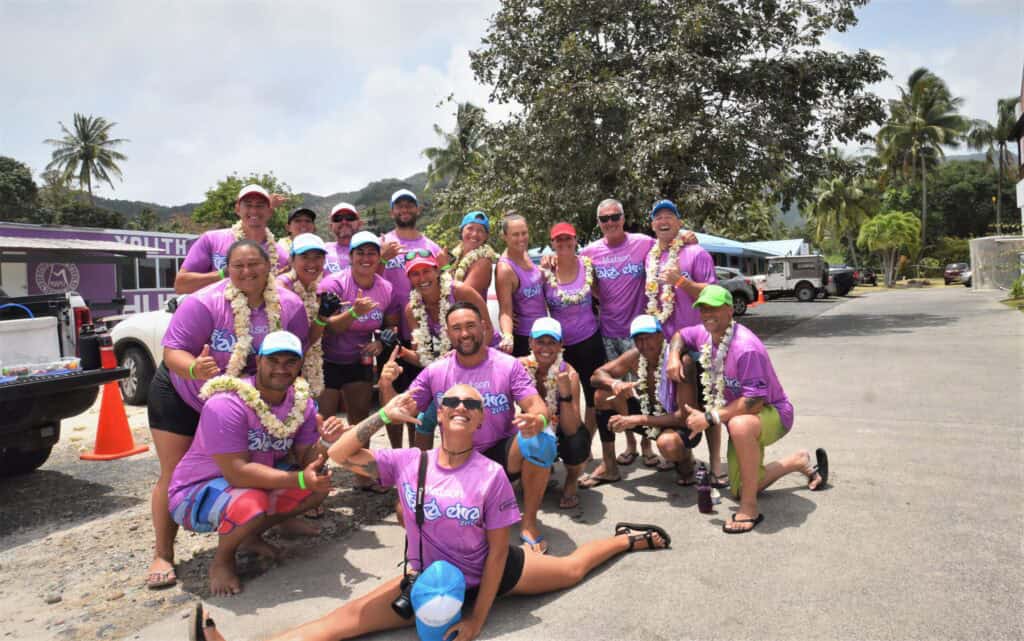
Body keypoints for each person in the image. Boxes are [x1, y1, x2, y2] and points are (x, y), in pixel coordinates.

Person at [191, 385, 670, 641]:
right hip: (428, 581)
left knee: (571, 569)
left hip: (494, 576)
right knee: (342, 622)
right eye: (452, 402)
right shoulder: (409, 461)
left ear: (482, 420)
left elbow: (501, 555)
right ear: (439, 415)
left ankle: (625, 537)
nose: (461, 407)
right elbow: (338, 455)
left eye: (472, 404)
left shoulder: (490, 476)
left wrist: (478, 620)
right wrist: (380, 416)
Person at [145, 239, 309, 590]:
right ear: (227, 270)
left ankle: (246, 536)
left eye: (254, 265)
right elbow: (173, 351)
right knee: (175, 473)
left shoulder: (290, 305)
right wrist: (196, 370)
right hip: (183, 395)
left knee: (250, 471)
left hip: (238, 404)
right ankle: (163, 553)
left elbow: (293, 357)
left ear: (270, 268)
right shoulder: (203, 302)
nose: (247, 272)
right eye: (238, 266)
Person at [382, 301, 553, 554]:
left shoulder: (508, 365)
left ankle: (528, 522)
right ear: (448, 333)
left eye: (471, 326)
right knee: (404, 507)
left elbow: (539, 407)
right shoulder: (436, 371)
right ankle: (435, 550)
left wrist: (536, 421)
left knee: (543, 439)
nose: (464, 333)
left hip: (499, 457)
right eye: (456, 328)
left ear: (484, 327)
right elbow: (398, 415)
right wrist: (386, 384)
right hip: (456, 459)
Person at [167, 331, 330, 596]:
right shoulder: (226, 403)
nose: (281, 368)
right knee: (251, 502)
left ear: (300, 364)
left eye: (290, 362)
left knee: (318, 488)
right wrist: (299, 479)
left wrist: (327, 444)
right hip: (195, 491)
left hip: (252, 482)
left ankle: (248, 536)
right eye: (273, 360)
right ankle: (222, 560)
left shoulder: (303, 403)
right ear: (259, 361)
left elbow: (306, 461)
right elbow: (237, 474)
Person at [667, 285, 829, 533]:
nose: (707, 313)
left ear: (730, 310)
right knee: (741, 486)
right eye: (703, 309)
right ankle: (796, 461)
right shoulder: (704, 334)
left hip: (773, 412)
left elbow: (754, 402)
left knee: (739, 425)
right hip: (741, 415)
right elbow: (680, 334)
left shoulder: (746, 347)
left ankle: (750, 507)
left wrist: (710, 416)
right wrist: (673, 357)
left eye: (714, 308)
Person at [644, 198, 724, 480]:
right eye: (658, 217)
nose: (663, 221)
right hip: (668, 346)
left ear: (679, 222)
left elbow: (713, 295)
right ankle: (683, 457)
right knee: (675, 405)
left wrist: (681, 282)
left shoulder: (696, 252)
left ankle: (715, 464)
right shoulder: (651, 257)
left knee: (709, 405)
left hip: (700, 344)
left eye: (669, 216)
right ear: (652, 225)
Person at [387, 251, 493, 448]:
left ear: (437, 271)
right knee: (424, 421)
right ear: (409, 278)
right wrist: (400, 350)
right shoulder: (412, 309)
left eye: (426, 271)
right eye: (415, 274)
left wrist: (467, 359)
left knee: (480, 417)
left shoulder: (460, 291)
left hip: (484, 360)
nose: (422, 279)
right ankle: (423, 470)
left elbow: (488, 330)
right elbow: (423, 358)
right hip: (452, 368)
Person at [316, 231, 401, 472]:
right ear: (351, 257)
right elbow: (326, 329)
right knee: (325, 423)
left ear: (378, 257)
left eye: (372, 253)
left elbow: (389, 324)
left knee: (360, 421)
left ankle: (362, 474)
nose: (366, 258)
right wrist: (353, 313)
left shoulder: (385, 288)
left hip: (359, 361)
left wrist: (381, 342)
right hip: (328, 360)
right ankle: (315, 475)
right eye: (360, 253)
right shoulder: (334, 284)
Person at [590, 315, 693, 487]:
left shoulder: (681, 361)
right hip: (651, 417)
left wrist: (635, 420)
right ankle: (609, 466)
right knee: (602, 394)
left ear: (660, 335)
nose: (644, 345)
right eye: (638, 339)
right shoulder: (636, 356)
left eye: (648, 338)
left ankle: (686, 459)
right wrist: (614, 383)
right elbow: (596, 376)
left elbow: (683, 417)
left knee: (669, 445)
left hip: (680, 425)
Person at [541, 221, 605, 458]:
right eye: (559, 240)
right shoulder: (545, 272)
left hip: (589, 339)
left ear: (576, 240)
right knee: (563, 396)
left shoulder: (587, 266)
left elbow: (601, 292)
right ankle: (565, 442)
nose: (564, 243)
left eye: (568, 238)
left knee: (593, 395)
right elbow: (534, 304)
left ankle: (585, 443)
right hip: (560, 347)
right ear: (552, 244)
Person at [519, 317, 591, 509]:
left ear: (561, 345)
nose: (546, 348)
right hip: (531, 428)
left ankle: (571, 480)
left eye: (552, 343)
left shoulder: (569, 373)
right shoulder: (519, 367)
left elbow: (571, 428)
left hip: (562, 428)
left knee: (577, 442)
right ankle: (534, 472)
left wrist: (565, 393)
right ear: (530, 342)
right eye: (540, 342)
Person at [175, 184, 289, 294]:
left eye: (260, 205)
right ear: (238, 209)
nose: (254, 210)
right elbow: (181, 285)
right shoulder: (211, 239)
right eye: (248, 205)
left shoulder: (281, 255)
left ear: (270, 212)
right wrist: (223, 274)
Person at [276, 233, 338, 399]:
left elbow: (309, 339)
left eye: (317, 257)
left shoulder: (314, 286)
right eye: (305, 256)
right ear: (292, 260)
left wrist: (323, 316)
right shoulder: (281, 286)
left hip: (304, 362)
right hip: (283, 368)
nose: (312, 263)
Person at [378, 189, 444, 340]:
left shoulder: (432, 247)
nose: (405, 209)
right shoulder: (381, 244)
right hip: (388, 327)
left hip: (425, 329)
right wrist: (382, 259)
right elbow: (367, 281)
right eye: (399, 206)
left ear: (418, 210)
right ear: (391, 212)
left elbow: (444, 284)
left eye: (409, 205)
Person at [495, 212, 548, 356]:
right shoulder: (505, 269)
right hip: (525, 339)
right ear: (505, 237)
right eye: (515, 235)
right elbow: (505, 310)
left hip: (544, 331)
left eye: (524, 233)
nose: (521, 239)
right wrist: (507, 336)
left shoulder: (524, 253)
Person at [447, 211, 497, 300]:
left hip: (469, 312)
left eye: (480, 230)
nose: (474, 234)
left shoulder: (483, 261)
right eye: (470, 228)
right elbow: (443, 270)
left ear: (486, 236)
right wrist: (442, 267)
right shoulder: (455, 255)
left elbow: (463, 297)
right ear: (461, 231)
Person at [324, 202, 361, 275]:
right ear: (331, 226)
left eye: (350, 217)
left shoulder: (372, 250)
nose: (344, 222)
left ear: (359, 224)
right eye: (338, 218)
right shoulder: (321, 249)